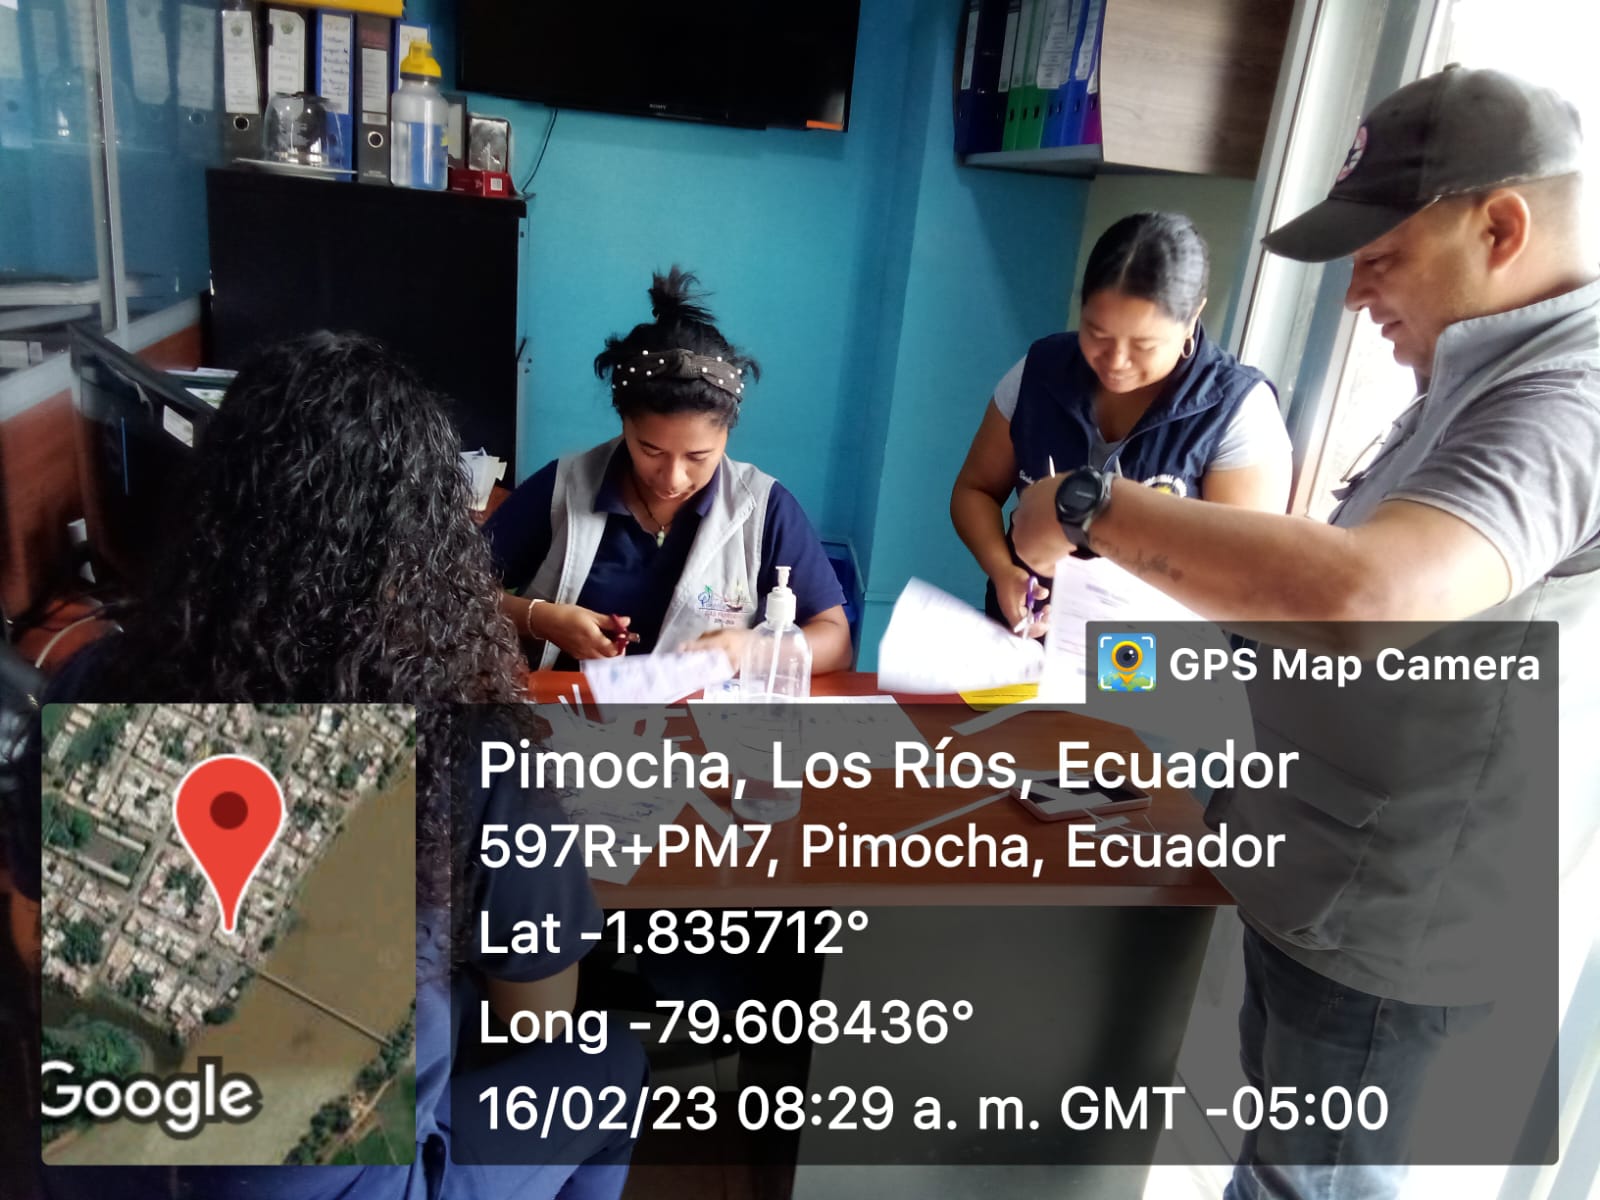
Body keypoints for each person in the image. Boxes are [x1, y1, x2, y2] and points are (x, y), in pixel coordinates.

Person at [1009, 67, 1599, 1199]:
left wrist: (1089, 505)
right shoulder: (1467, 380)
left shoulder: (1565, 399)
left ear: (1501, 229)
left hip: (1395, 919)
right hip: (1319, 870)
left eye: (1380, 258)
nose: (1354, 296)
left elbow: (1365, 597)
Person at [36, 332, 646, 1200]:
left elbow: (40, 926)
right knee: (608, 1061)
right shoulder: (465, 741)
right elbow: (537, 1018)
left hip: (109, 1169)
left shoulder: (93, 684)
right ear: (430, 549)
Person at [486, 268, 851, 673]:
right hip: (569, 705)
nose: (672, 478)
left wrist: (752, 648)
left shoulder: (764, 507)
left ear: (727, 434)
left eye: (698, 456)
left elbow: (835, 640)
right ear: (623, 422)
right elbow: (448, 593)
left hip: (698, 711)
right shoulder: (565, 486)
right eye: (650, 450)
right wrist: (540, 618)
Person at [950, 212, 1291, 636]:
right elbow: (975, 490)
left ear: (1192, 318)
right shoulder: (1040, 371)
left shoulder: (1238, 411)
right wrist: (1004, 570)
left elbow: (1244, 578)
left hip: (1152, 658)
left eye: (1144, 345)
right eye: (1097, 334)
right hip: (1025, 643)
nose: (1116, 361)